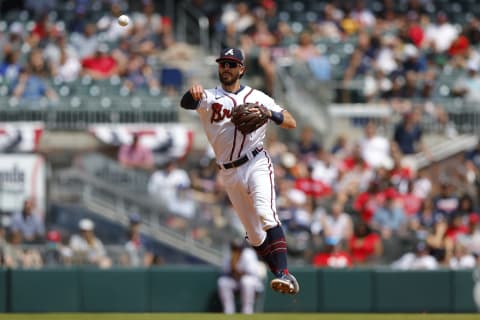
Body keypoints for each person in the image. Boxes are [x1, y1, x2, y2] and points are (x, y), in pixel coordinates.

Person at [180, 47, 299, 295]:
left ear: (241, 69)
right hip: (229, 173)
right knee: (255, 237)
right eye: (223, 63)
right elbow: (186, 103)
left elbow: (290, 121)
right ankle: (281, 274)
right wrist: (192, 93)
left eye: (232, 64)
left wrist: (270, 113)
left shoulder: (259, 96)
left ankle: (284, 274)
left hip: (256, 162)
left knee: (267, 214)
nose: (226, 68)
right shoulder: (209, 97)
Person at [217, 239, 265, 314]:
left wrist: (237, 269)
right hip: (235, 281)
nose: (236, 249)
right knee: (223, 282)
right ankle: (228, 311)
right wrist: (232, 265)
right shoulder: (229, 254)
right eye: (234, 247)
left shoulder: (249, 254)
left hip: (252, 282)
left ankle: (247, 310)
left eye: (238, 248)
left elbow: (251, 272)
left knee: (246, 281)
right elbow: (225, 271)